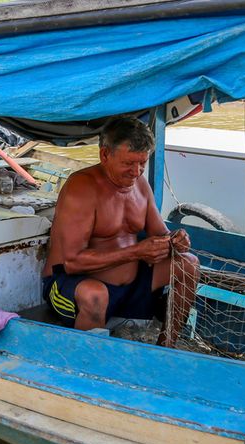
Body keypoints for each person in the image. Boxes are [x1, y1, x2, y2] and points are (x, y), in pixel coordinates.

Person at [42, 116, 199, 331]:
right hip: (72, 284)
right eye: (128, 163)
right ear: (104, 154)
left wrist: (176, 239)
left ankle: (168, 346)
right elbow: (72, 262)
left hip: (131, 286)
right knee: (95, 295)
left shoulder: (140, 184)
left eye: (142, 163)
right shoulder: (82, 188)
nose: (136, 172)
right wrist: (136, 252)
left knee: (189, 263)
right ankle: (86, 360)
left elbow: (160, 233)